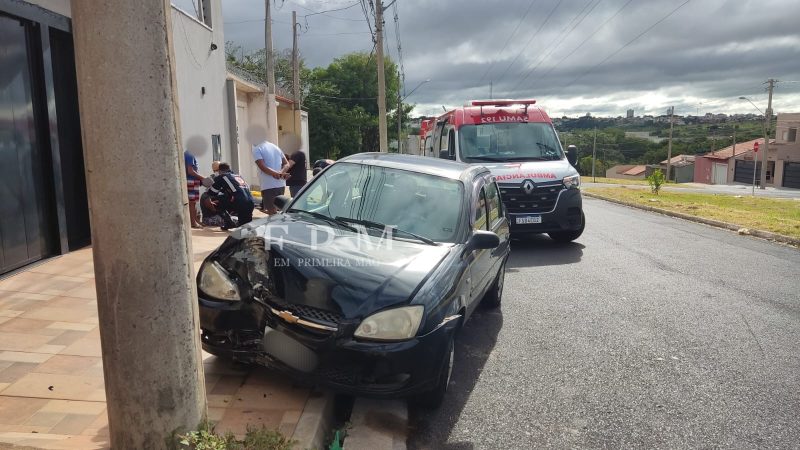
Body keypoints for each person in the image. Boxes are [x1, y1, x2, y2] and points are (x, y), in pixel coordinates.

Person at [204, 162, 255, 230]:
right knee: (246, 225)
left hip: (241, 203)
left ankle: (229, 222)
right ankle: (231, 223)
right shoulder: (237, 176)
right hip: (251, 203)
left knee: (214, 201)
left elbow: (212, 193)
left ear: (219, 170)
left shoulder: (222, 177)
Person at [253, 139, 289, 214]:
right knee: (279, 209)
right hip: (280, 184)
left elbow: (262, 167)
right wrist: (280, 172)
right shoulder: (275, 147)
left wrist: (276, 174)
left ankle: (275, 225)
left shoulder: (257, 149)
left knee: (272, 212)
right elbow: (287, 164)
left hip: (268, 185)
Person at [184, 150, 205, 228]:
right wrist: (203, 178)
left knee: (193, 203)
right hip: (191, 181)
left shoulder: (188, 154)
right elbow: (190, 171)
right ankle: (193, 223)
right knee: (192, 203)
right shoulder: (190, 154)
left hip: (192, 181)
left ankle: (195, 220)